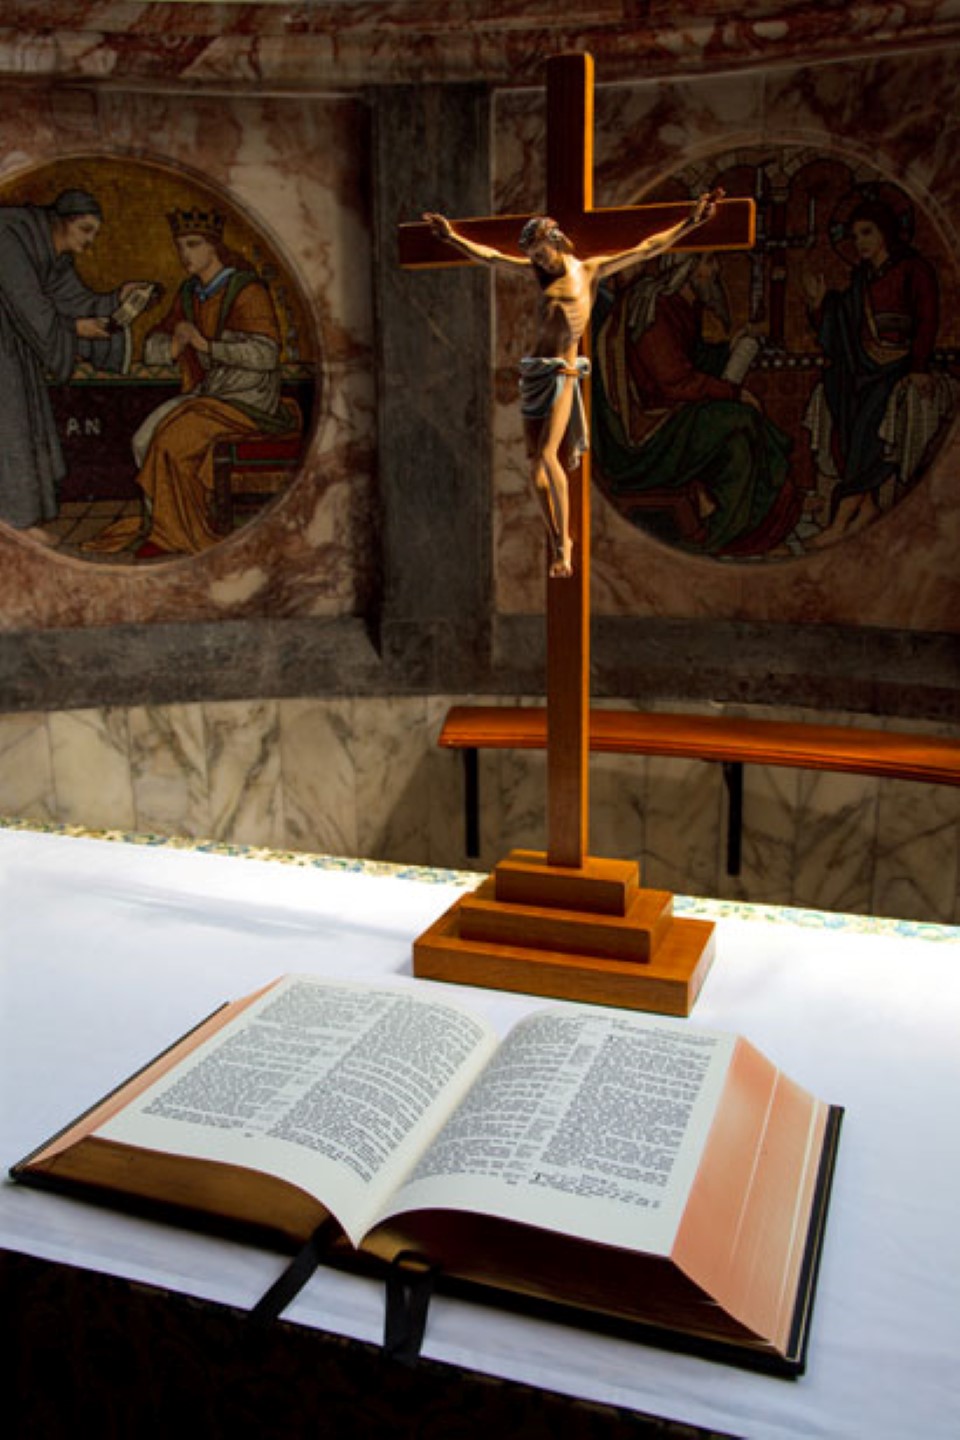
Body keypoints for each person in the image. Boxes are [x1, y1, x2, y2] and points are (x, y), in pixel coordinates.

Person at [423, 191, 721, 577]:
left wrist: (690, 223)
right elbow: (492, 258)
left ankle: (563, 546)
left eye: (542, 254)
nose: (539, 262)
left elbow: (647, 248)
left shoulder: (590, 270)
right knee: (535, 466)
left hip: (562, 373)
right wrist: (451, 237)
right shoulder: (537, 274)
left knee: (549, 456)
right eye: (534, 257)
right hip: (535, 372)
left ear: (557, 242)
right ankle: (555, 534)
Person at [85, 206, 294, 558]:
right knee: (142, 441)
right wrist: (174, 345)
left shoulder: (245, 290)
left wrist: (205, 345)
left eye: (193, 244)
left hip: (247, 400)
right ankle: (164, 526)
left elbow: (266, 355)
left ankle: (177, 535)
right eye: (180, 246)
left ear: (215, 246)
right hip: (210, 395)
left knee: (171, 444)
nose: (184, 254)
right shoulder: (190, 292)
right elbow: (154, 347)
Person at [590, 249, 797, 556]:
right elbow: (675, 382)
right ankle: (728, 527)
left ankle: (737, 535)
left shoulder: (683, 306)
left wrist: (731, 350)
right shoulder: (657, 308)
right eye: (709, 262)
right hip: (648, 433)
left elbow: (692, 360)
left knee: (738, 447)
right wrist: (734, 394)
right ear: (687, 267)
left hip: (674, 416)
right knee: (742, 418)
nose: (716, 270)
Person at [0, 189, 147, 544]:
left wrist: (117, 299)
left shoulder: (55, 255)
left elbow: (74, 302)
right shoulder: (9, 235)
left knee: (18, 426)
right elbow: (30, 307)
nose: (90, 240)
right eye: (85, 229)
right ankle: (13, 522)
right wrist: (74, 329)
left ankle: (16, 521)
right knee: (9, 426)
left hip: (12, 349)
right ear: (61, 221)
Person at [802, 196, 944, 545]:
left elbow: (927, 319)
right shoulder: (861, 279)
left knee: (869, 426)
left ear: (885, 232)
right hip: (863, 367)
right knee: (841, 411)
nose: (860, 242)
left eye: (867, 232)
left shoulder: (913, 269)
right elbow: (841, 326)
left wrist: (919, 367)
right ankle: (866, 510)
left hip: (897, 366)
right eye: (855, 236)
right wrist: (820, 306)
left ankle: (841, 521)